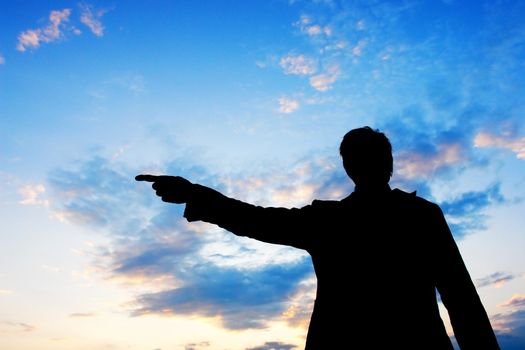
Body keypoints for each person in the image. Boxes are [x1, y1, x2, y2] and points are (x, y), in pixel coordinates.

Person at [136, 126, 500, 349]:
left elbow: (255, 220)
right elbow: (463, 302)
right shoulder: (419, 216)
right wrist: (196, 194)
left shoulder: (332, 221)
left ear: (348, 167)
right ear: (389, 163)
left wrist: (195, 193)